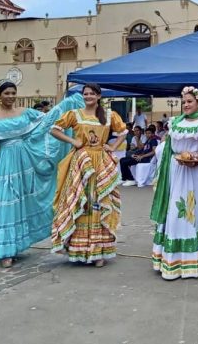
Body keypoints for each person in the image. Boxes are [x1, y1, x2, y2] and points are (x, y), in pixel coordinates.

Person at [0, 81, 83, 267]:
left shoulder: (25, 113)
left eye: (13, 93)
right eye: (6, 93)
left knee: (22, 202)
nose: (10, 96)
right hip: (3, 163)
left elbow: (48, 121)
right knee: (5, 203)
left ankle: (15, 246)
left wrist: (67, 104)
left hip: (24, 162)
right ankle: (5, 250)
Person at [50, 84, 128, 267]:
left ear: (99, 96)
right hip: (81, 162)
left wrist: (113, 147)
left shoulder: (109, 116)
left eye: (92, 93)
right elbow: (54, 129)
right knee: (81, 201)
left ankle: (98, 252)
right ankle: (80, 249)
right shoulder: (74, 114)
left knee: (99, 203)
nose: (88, 96)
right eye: (85, 94)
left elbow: (123, 132)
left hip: (100, 161)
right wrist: (73, 141)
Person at [150, 86, 198, 280]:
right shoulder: (176, 122)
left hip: (193, 172)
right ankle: (173, 259)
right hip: (175, 170)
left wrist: (194, 159)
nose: (186, 105)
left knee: (190, 212)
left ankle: (192, 260)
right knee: (174, 212)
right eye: (184, 102)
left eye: (190, 101)